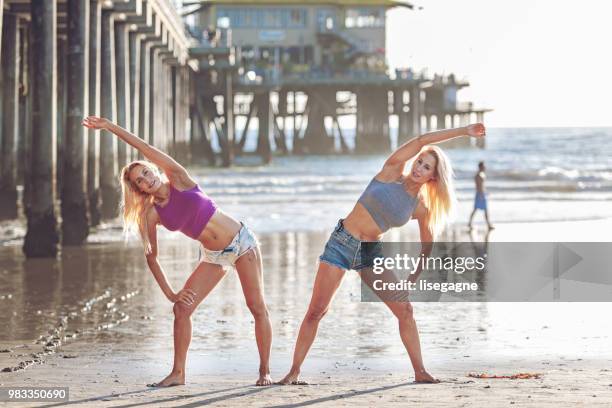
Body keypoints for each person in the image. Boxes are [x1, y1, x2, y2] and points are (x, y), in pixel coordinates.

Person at [279, 124, 486, 385]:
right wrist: (464, 130)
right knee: (316, 311)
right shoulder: (391, 171)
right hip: (341, 243)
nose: (418, 167)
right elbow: (421, 139)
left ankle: (420, 371)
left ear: (433, 177)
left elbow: (427, 242)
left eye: (426, 167)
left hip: (370, 254)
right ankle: (294, 371)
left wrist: (415, 274)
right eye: (420, 161)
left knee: (405, 311)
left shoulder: (420, 208)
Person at [81, 116, 273, 387]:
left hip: (241, 243)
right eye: (140, 181)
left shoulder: (179, 178)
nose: (146, 179)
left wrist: (110, 127)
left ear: (154, 170)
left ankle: (264, 370)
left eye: (146, 172)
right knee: (181, 309)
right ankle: (178, 374)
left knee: (256, 307)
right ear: (139, 189)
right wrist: (170, 293)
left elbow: (145, 147)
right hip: (213, 256)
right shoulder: (151, 214)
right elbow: (151, 257)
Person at [468, 161, 494, 230]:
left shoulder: (480, 174)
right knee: (478, 209)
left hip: (481, 194)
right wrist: (482, 194)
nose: (485, 167)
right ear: (481, 167)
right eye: (484, 166)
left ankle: (471, 223)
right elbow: (479, 186)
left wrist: (485, 192)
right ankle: (487, 225)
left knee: (478, 209)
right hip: (480, 194)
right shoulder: (479, 175)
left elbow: (481, 186)